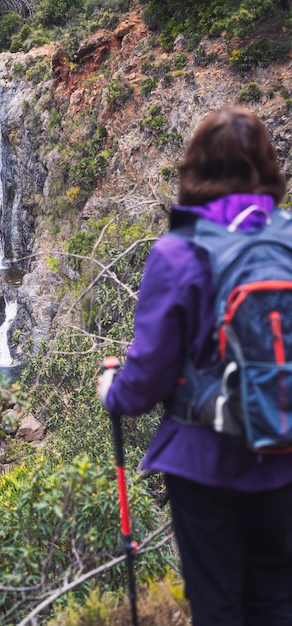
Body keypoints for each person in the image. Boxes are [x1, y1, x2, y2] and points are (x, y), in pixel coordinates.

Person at [98, 106, 292, 626]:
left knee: (217, 603)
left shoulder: (180, 251)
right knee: (278, 597)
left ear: (195, 169)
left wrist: (111, 391)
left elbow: (147, 377)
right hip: (284, 449)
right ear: (268, 167)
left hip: (205, 461)